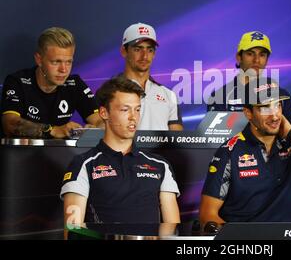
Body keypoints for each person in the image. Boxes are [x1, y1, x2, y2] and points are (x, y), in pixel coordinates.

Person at [199, 81, 291, 227]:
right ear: (248, 113)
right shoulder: (229, 152)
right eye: (264, 108)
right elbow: (207, 215)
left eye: (277, 105)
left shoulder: (290, 145)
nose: (275, 116)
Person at [61, 77, 180, 236]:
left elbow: (171, 231)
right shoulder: (84, 164)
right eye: (125, 109)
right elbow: (73, 230)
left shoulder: (160, 165)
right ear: (104, 113)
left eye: (137, 109)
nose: (133, 117)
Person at [1, 27, 102, 139]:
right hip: (19, 154)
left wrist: (96, 129)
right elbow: (10, 123)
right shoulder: (18, 82)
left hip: (60, 155)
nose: (63, 70)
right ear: (39, 60)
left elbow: (99, 120)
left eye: (68, 62)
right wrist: (52, 130)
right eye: (56, 62)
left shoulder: (75, 84)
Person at [207, 31, 291, 128]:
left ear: (267, 59)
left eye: (262, 55)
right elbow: (214, 139)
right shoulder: (219, 97)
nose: (256, 60)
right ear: (239, 57)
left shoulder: (282, 96)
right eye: (250, 54)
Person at [120, 22, 183, 131]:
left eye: (150, 50)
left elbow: (177, 140)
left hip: (163, 149)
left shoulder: (168, 95)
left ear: (154, 54)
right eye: (137, 49)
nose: (144, 56)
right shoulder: (110, 92)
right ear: (124, 51)